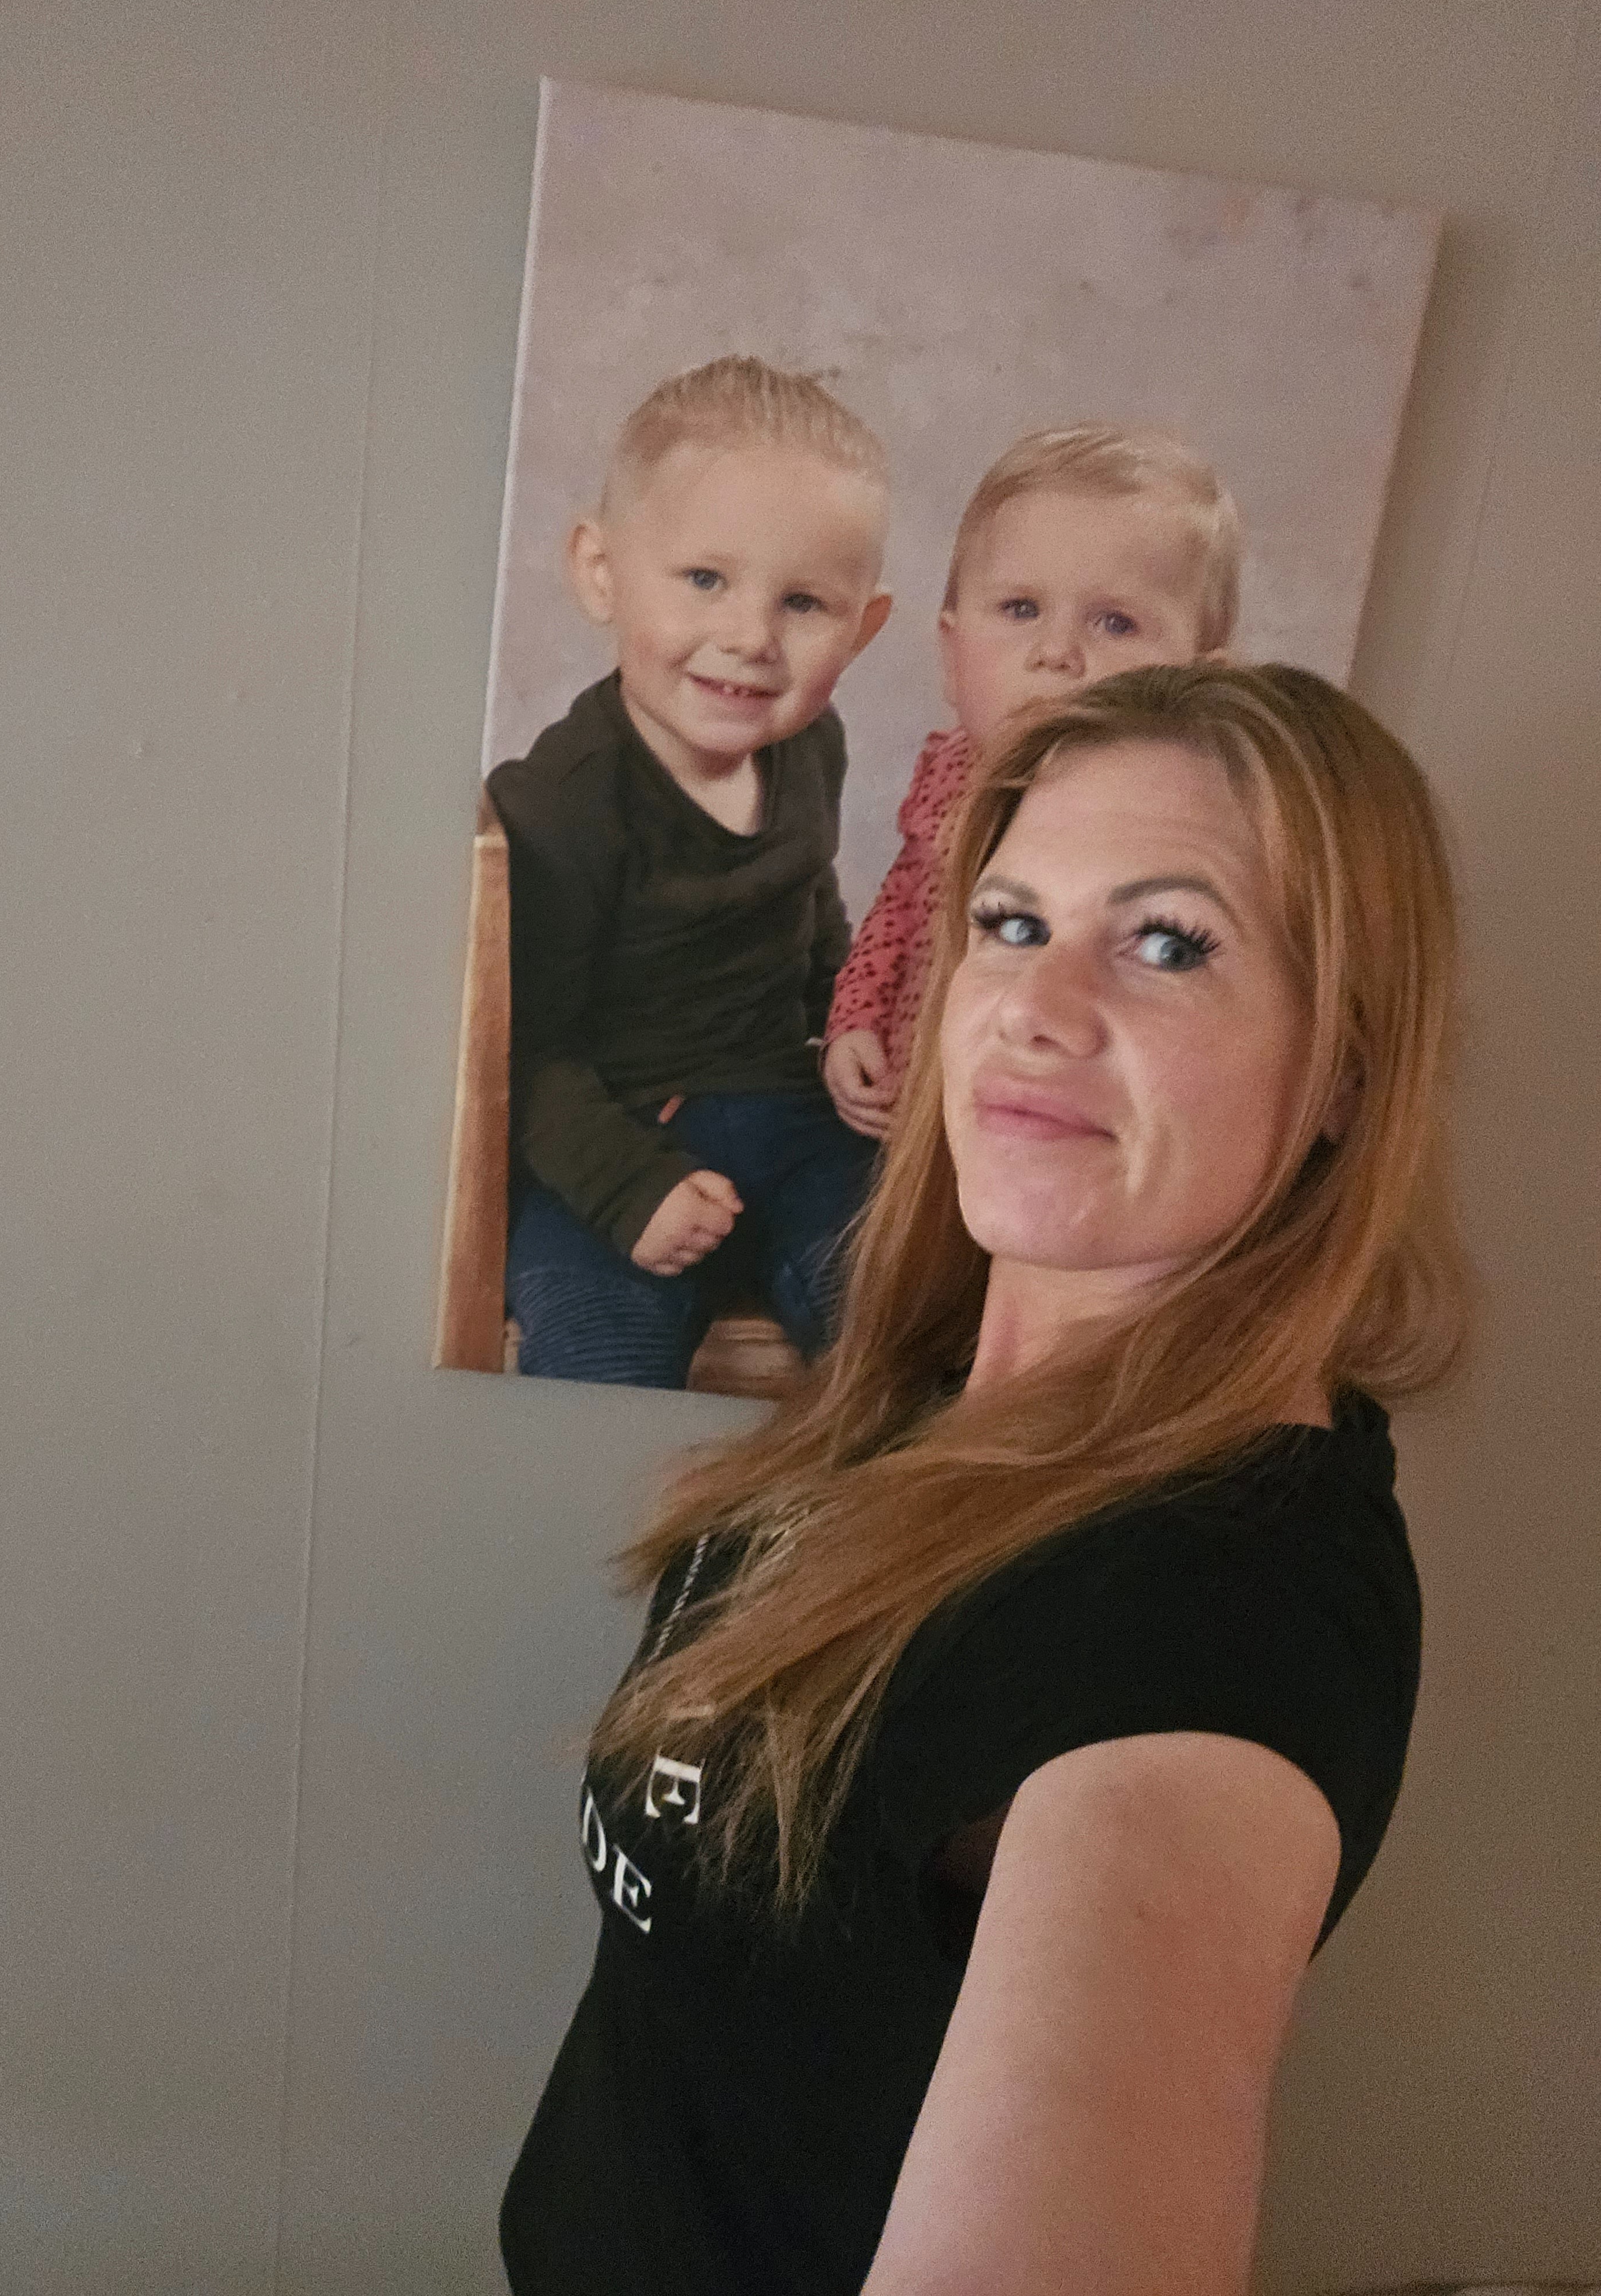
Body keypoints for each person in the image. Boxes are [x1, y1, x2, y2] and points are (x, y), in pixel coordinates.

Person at [500, 662, 1469, 2295]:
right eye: (1010, 924)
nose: (1031, 1004)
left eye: (1168, 943)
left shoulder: (1215, 1618)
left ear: (1347, 1073)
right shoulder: (938, 1389)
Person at [487, 357, 893, 1387]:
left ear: (863, 628)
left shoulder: (811, 746)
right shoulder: (566, 802)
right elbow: (523, 1050)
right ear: (602, 571)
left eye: (803, 602)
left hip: (791, 1120)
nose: (751, 638)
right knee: (597, 1357)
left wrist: (852, 1019)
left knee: (902, 1314)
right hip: (610, 1140)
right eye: (706, 579)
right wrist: (632, 1191)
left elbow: (810, 907)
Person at [823, 422, 1239, 1139]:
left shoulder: (1178, 844)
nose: (1057, 652)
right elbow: (900, 908)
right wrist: (855, 1018)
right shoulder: (950, 778)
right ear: (952, 657)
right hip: (908, 1102)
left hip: (1051, 1116)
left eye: (1116, 623)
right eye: (1021, 609)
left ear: (1204, 682)